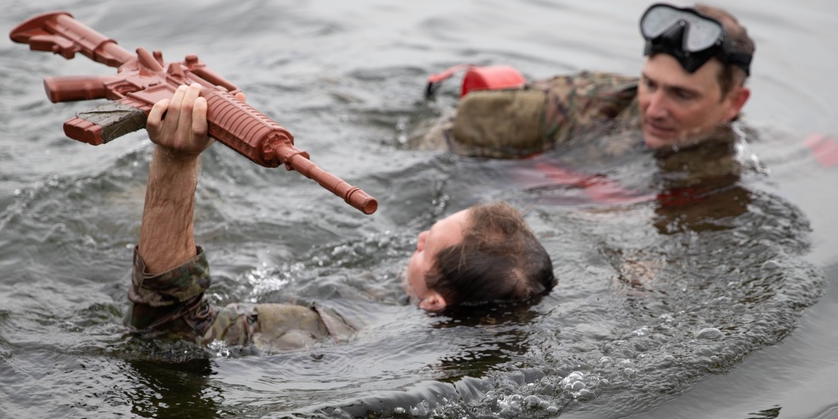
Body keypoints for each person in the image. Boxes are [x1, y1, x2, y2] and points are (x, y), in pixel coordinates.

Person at [126, 84, 556, 351]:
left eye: (428, 247)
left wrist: (175, 162)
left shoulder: (332, 333)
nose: (420, 236)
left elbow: (170, 332)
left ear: (434, 303)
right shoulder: (423, 314)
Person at [413, 2, 755, 179]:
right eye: (649, 84)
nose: (654, 108)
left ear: (732, 104)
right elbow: (433, 148)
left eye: (682, 95)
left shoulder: (741, 156)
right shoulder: (572, 105)